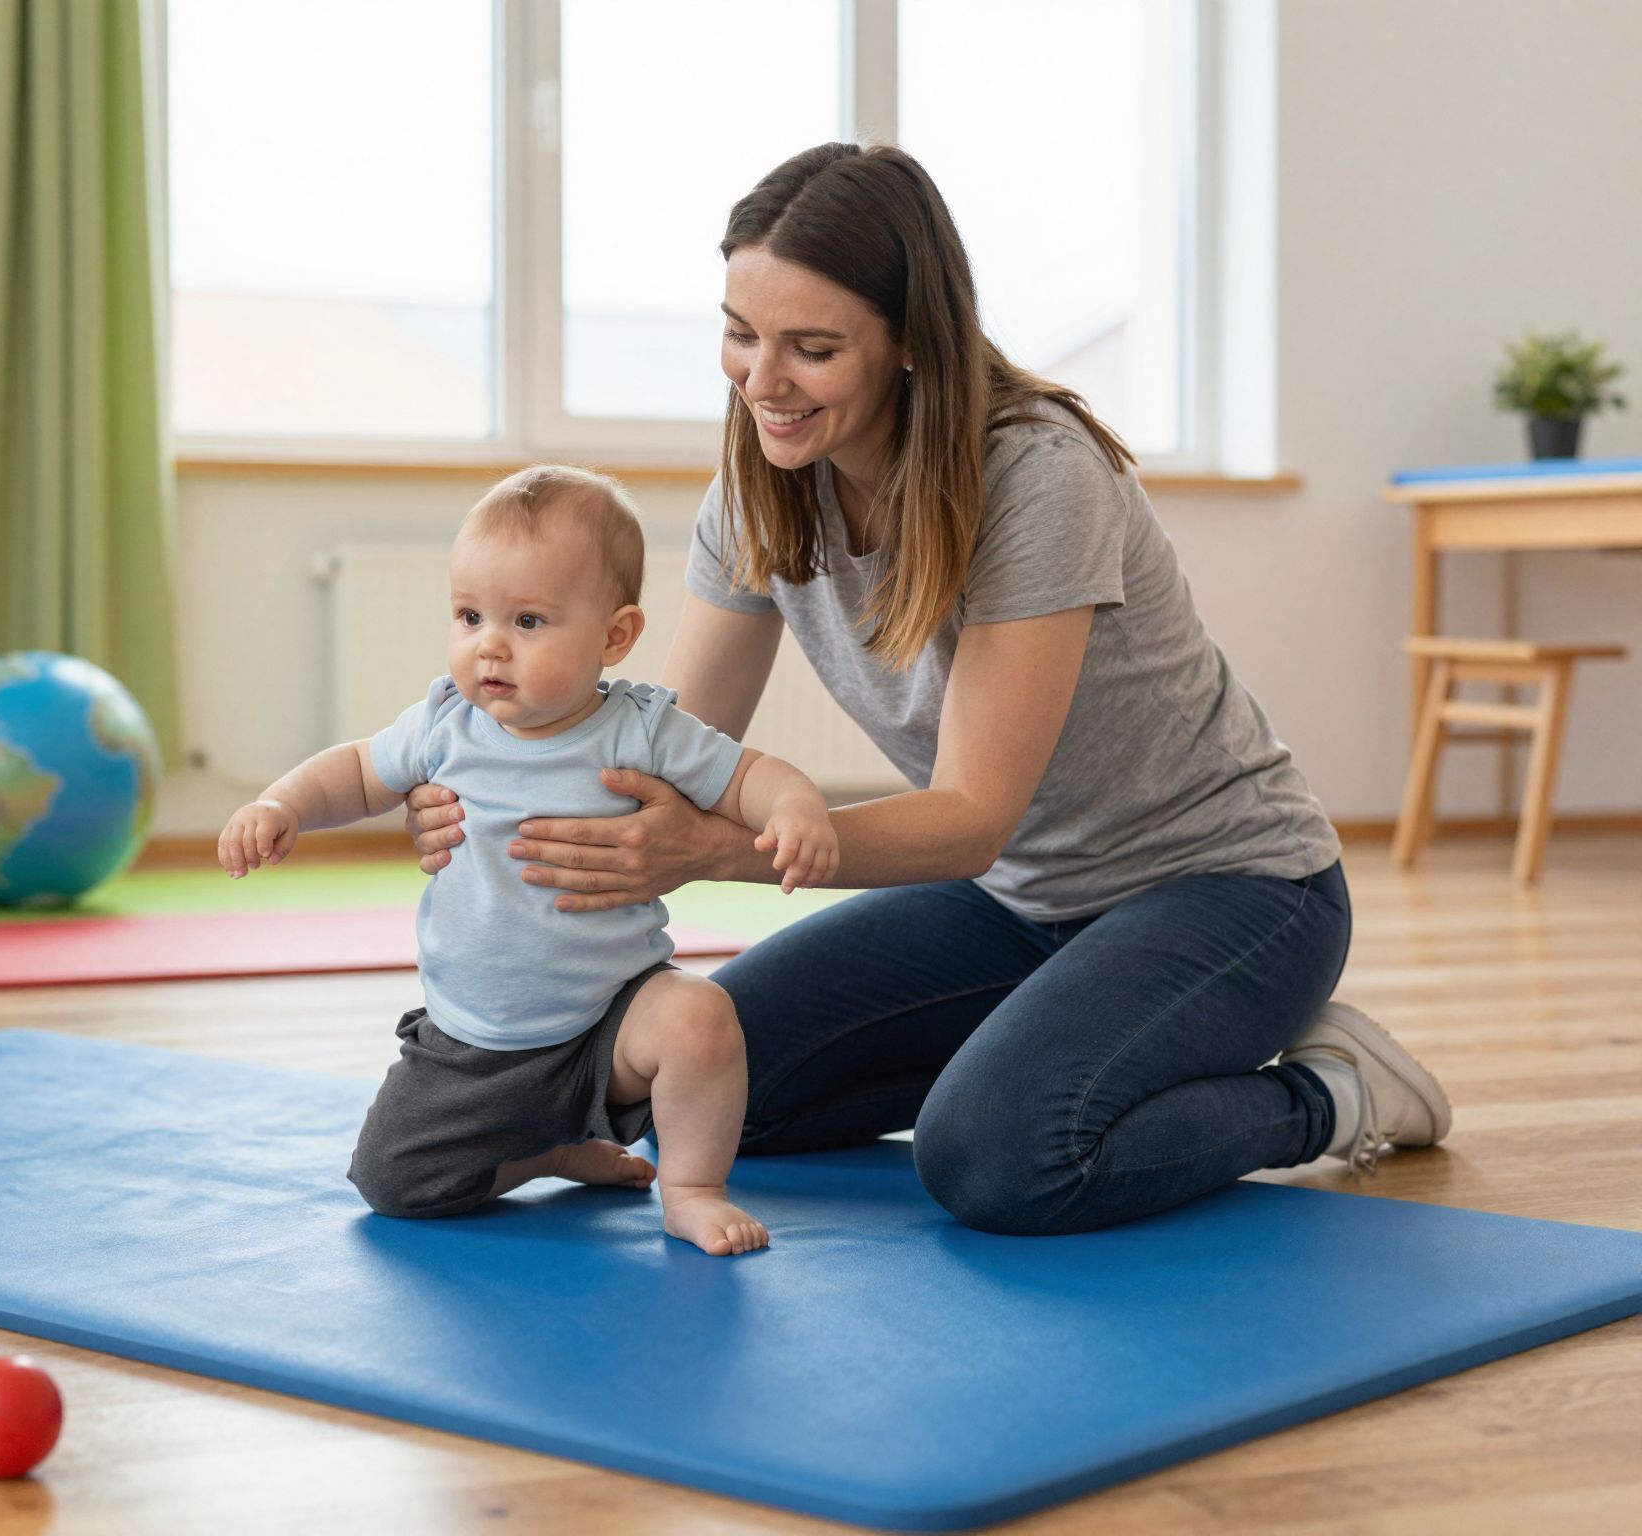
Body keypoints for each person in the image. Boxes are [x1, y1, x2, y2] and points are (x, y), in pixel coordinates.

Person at [399, 143, 1452, 1238]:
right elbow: (652, 758)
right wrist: (486, 798)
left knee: (999, 1159)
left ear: (909, 344)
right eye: (739, 334)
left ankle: (1327, 1095)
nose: (762, 382)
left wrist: (717, 851)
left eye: (810, 349)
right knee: (706, 1095)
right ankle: (1064, 1037)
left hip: (1226, 891)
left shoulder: (1034, 477)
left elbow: (967, 818)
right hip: (1011, 903)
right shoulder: (759, 495)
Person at [218, 465, 839, 1255]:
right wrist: (283, 806)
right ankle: (547, 1154)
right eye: (470, 616)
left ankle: (689, 1189)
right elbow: (354, 770)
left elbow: (751, 775)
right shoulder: (443, 724)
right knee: (392, 1185)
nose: (490, 646)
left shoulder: (639, 730)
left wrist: (795, 809)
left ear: (614, 636)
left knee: (699, 1015)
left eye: (530, 621)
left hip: (609, 1028)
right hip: (473, 1045)